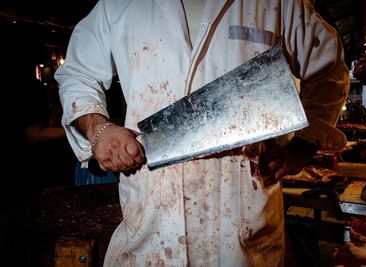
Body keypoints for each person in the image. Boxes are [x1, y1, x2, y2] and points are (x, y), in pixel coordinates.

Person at [55, 0, 349, 266]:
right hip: (150, 218)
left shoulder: (281, 4)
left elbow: (329, 70)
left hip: (243, 226)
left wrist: (302, 148)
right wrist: (98, 129)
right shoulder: (117, 5)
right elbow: (78, 73)